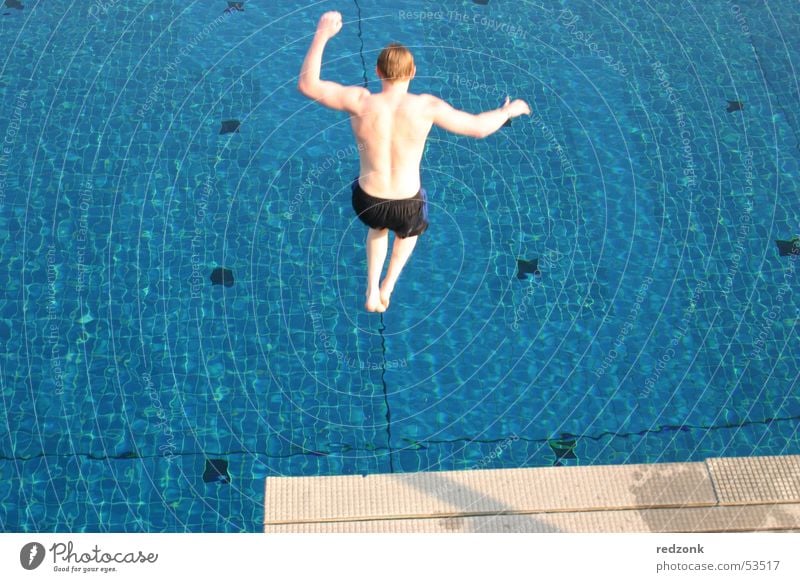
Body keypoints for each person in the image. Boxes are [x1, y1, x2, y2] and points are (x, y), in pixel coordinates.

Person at [298, 11, 531, 312]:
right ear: (413, 72)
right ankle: (388, 285)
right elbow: (477, 128)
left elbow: (307, 85)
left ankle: (370, 290)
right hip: (407, 202)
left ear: (378, 72)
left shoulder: (360, 102)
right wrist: (506, 112)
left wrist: (322, 34)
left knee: (378, 227)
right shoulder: (426, 107)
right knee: (408, 231)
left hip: (368, 200)